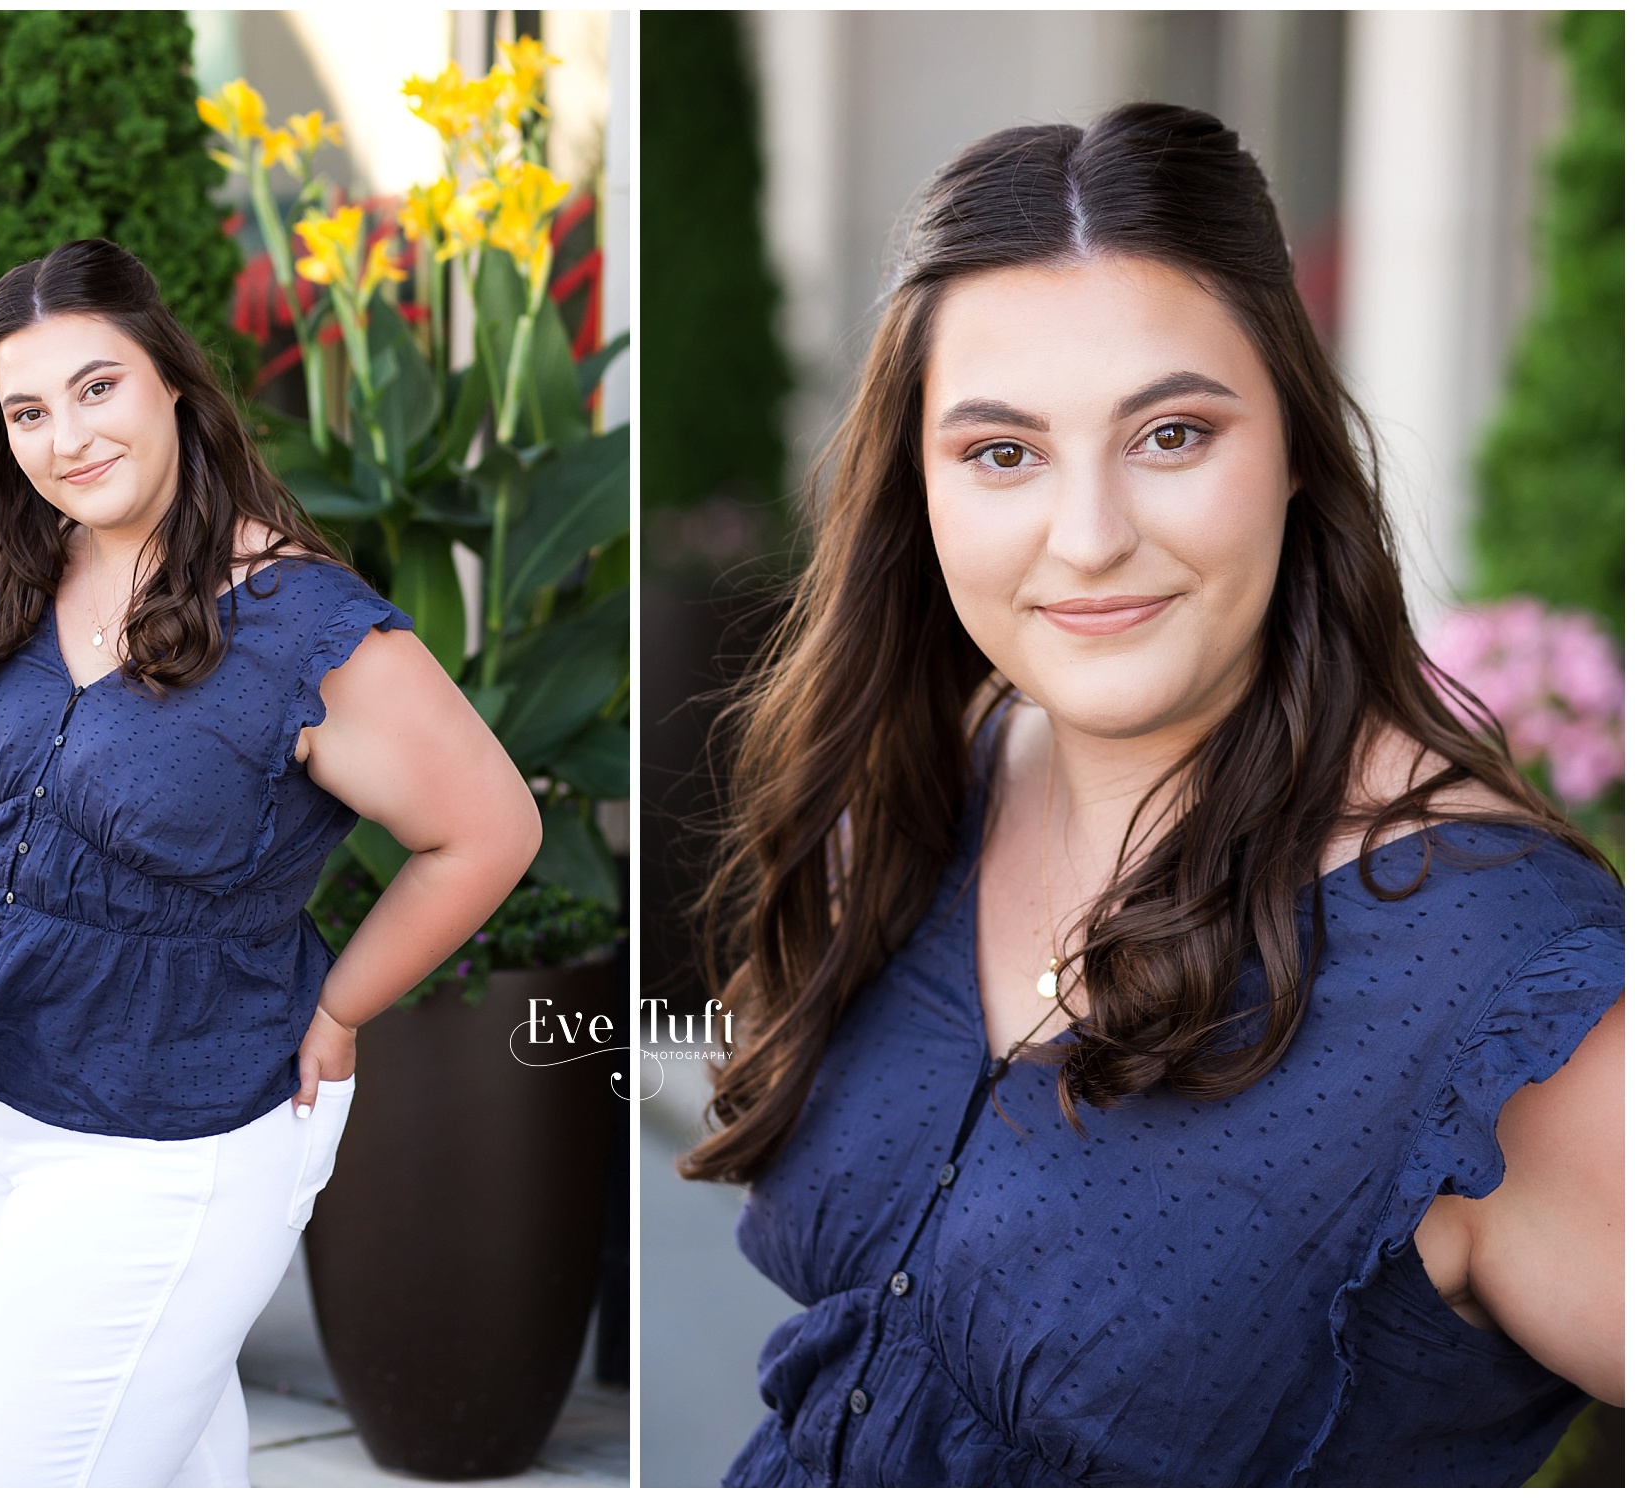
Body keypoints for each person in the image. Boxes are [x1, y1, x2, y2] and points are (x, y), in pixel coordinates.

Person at [685, 105, 1623, 1486]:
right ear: (916, 487)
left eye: (1172, 434)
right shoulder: (931, 781)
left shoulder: (1493, 974)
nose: (1088, 538)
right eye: (1002, 452)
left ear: (1295, 446)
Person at [0, 239, 541, 1486]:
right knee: (172, 1451)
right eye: (27, 412)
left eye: (98, 387)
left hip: (165, 1136)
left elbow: (488, 828)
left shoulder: (300, 622)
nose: (66, 438)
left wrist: (340, 1009)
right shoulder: (24, 565)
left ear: (172, 385)